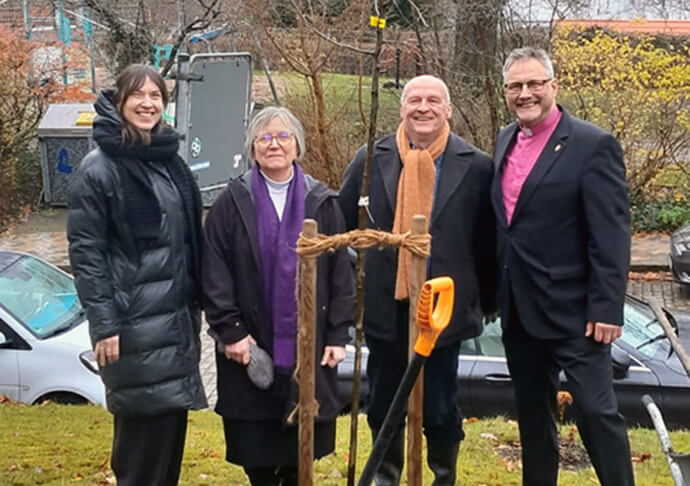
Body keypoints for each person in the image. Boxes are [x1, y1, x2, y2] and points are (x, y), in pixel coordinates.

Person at [339, 75, 497, 485]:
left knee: (441, 407)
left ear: (447, 109)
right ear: (403, 106)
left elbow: (489, 241)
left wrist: (487, 300)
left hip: (443, 311)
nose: (422, 108)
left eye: (432, 100)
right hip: (385, 310)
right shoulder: (371, 159)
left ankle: (443, 476)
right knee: (383, 403)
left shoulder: (477, 166)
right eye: (414, 99)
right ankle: (386, 477)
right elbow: (345, 224)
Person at [492, 47, 634, 486]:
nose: (525, 93)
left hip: (577, 313)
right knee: (534, 420)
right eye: (516, 86)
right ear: (506, 92)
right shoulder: (504, 140)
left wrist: (607, 308)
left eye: (535, 83)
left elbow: (611, 233)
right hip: (519, 310)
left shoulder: (593, 145)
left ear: (553, 86)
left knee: (596, 411)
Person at [67, 64, 207, 485]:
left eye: (156, 96)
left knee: (166, 456)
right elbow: (86, 254)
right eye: (138, 95)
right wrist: (104, 324)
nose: (148, 104)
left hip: (174, 325)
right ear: (119, 102)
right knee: (141, 460)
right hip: (133, 330)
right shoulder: (100, 167)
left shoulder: (165, 159)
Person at [201, 106, 355, 486]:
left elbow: (340, 274)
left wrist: (337, 335)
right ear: (252, 148)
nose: (274, 144)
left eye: (283, 136)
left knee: (299, 450)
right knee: (258, 455)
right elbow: (213, 271)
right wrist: (230, 332)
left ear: (297, 145)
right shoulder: (231, 203)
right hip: (249, 343)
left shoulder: (323, 202)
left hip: (309, 346)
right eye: (264, 137)